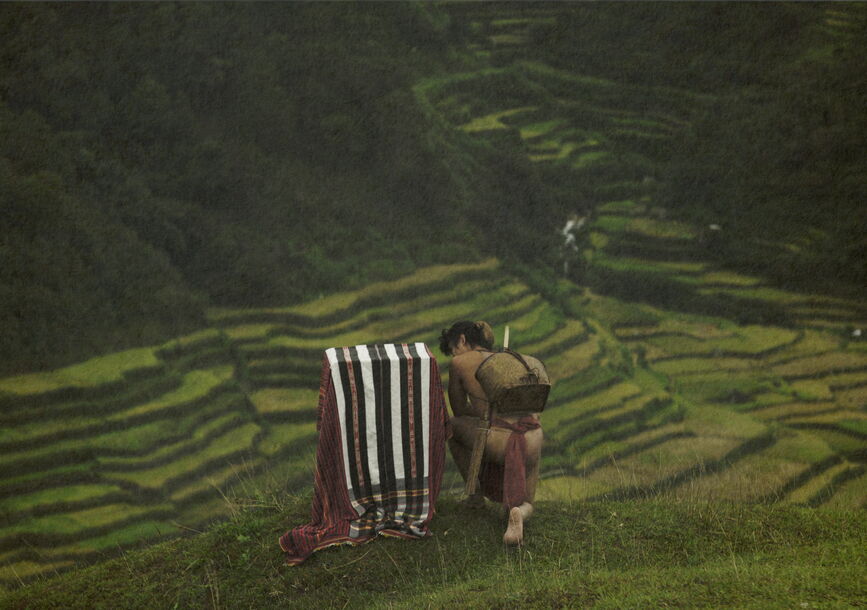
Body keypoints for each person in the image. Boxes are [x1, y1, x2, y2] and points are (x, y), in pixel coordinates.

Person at [439, 321, 543, 546]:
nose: (453, 354)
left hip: (500, 441)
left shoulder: (460, 362)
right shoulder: (509, 359)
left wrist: (484, 415)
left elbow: (459, 410)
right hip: (534, 436)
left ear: (462, 340)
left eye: (453, 348)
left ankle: (475, 498)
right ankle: (520, 514)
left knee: (453, 426)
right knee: (528, 503)